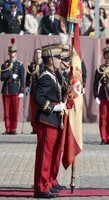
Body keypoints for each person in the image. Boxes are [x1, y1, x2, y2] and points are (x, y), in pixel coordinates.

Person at [33, 43, 67, 198]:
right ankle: (41, 187)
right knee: (44, 155)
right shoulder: (46, 77)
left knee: (52, 154)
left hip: (54, 121)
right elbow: (38, 97)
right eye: (58, 58)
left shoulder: (55, 75)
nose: (61, 60)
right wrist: (53, 107)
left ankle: (47, 182)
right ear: (52, 60)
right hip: (47, 120)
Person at [0, 38, 25, 135]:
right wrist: (10, 74)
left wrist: (22, 90)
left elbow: (22, 78)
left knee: (14, 111)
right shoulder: (4, 64)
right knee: (6, 111)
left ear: (16, 52)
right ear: (8, 52)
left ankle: (13, 129)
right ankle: (8, 128)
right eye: (10, 51)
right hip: (6, 89)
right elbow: (2, 77)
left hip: (15, 89)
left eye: (14, 51)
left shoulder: (20, 64)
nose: (12, 53)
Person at [25, 48, 44, 134]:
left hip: (42, 91)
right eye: (36, 53)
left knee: (41, 109)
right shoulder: (31, 65)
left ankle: (41, 127)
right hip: (34, 90)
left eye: (39, 53)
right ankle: (34, 128)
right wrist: (26, 86)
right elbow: (28, 77)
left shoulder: (44, 65)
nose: (38, 54)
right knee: (33, 110)